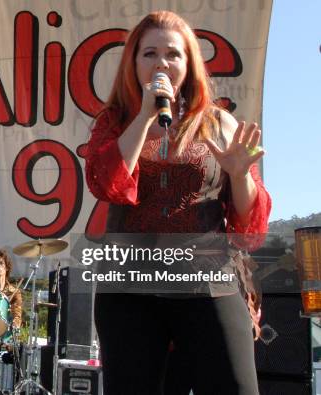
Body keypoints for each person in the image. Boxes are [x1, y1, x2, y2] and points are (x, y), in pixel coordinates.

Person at [83, 11, 271, 395]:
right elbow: (107, 185)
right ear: (134, 62)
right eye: (149, 53)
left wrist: (238, 175)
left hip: (207, 278)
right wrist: (143, 118)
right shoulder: (115, 122)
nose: (162, 63)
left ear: (189, 64)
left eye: (173, 54)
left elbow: (250, 226)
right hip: (130, 285)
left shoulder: (220, 122)